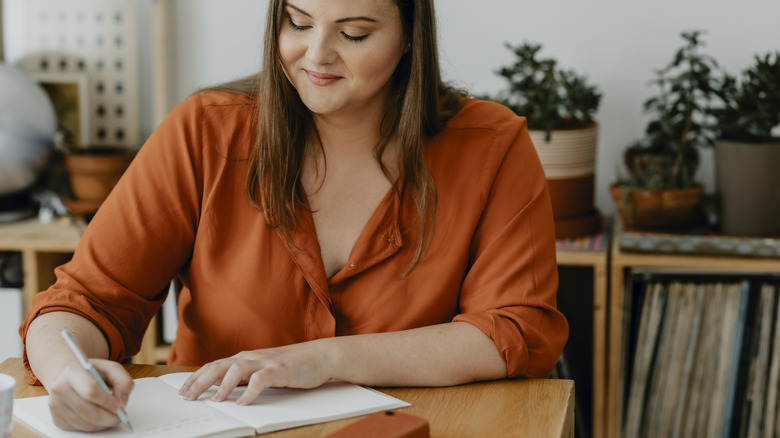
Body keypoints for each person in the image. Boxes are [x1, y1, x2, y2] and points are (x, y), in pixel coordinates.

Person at [20, 0, 568, 432]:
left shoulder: (491, 146)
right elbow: (84, 302)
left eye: (354, 33)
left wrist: (322, 359)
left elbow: (514, 329)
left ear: (409, 39)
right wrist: (71, 375)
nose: (316, 54)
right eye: (297, 22)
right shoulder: (206, 131)